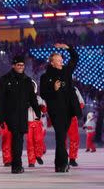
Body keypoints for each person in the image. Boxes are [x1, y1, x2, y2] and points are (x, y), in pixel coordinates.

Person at [40, 43, 82, 173]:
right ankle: (62, 163)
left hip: (68, 110)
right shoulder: (45, 76)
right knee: (60, 135)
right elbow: (43, 94)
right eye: (58, 60)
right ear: (52, 63)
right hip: (56, 111)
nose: (61, 62)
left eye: (61, 59)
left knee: (61, 137)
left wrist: (68, 47)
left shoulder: (66, 71)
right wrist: (54, 89)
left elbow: (75, 58)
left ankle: (59, 164)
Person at [0, 55, 41, 174]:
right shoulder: (5, 79)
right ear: (13, 66)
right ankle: (16, 165)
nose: (21, 67)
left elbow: (32, 98)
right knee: (16, 139)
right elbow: (0, 100)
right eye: (18, 65)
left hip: (22, 114)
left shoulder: (27, 80)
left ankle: (17, 164)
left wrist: (38, 112)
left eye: (22, 65)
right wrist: (1, 117)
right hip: (10, 114)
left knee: (19, 140)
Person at [26, 81, 46, 167]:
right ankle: (31, 161)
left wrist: (42, 107)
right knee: (30, 142)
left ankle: (38, 155)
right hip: (29, 123)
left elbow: (45, 109)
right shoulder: (24, 99)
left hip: (37, 122)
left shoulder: (39, 98)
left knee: (39, 140)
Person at [67, 87, 85, 167]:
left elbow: (81, 102)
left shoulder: (74, 89)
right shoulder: (56, 85)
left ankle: (72, 159)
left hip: (72, 118)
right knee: (61, 139)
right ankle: (62, 158)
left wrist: (75, 109)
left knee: (74, 138)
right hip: (60, 118)